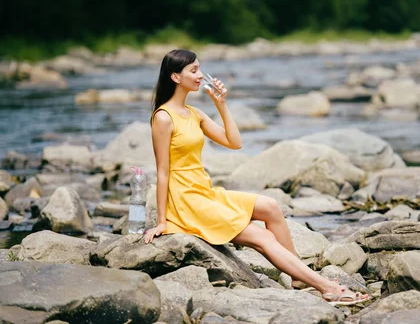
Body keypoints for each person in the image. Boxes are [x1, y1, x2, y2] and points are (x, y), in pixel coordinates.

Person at [143, 49, 369, 306]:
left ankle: (299, 278)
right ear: (175, 76)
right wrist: (162, 221)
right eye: (193, 70)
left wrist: (221, 104)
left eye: (199, 69)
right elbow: (162, 171)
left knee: (270, 207)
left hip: (205, 192)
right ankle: (328, 288)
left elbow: (234, 142)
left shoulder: (195, 113)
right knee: (263, 238)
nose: (200, 75)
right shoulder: (163, 117)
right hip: (186, 201)